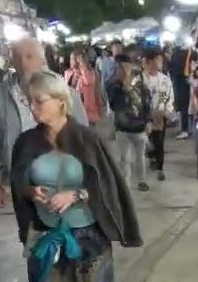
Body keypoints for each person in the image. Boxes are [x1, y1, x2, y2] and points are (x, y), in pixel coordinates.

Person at [9, 71, 142, 282]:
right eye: (31, 102)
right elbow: (18, 181)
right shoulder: (27, 142)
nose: (34, 108)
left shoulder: (85, 138)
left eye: (40, 101)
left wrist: (77, 194)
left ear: (61, 102)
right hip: (45, 233)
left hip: (88, 234)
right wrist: (32, 192)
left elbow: (106, 184)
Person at [0, 38, 88, 209]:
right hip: (21, 179)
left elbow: (84, 138)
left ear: (42, 59)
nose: (23, 63)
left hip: (62, 179)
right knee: (30, 230)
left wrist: (82, 187)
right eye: (17, 57)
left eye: (29, 57)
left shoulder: (65, 92)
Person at [106, 53, 152, 191]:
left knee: (140, 157)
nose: (124, 71)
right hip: (123, 128)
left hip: (139, 127)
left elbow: (146, 103)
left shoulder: (140, 83)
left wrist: (149, 120)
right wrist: (125, 89)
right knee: (124, 159)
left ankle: (142, 181)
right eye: (120, 68)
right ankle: (125, 185)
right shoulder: (113, 86)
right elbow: (114, 105)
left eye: (126, 67)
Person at [142, 47, 175, 181]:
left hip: (160, 116)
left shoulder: (165, 80)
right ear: (149, 61)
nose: (161, 61)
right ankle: (150, 157)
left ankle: (160, 169)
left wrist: (168, 109)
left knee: (160, 143)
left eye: (161, 59)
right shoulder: (141, 79)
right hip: (145, 117)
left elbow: (169, 97)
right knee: (148, 143)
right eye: (158, 59)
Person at [66, 48, 109, 126]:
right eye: (70, 59)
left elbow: (89, 82)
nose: (70, 61)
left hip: (88, 110)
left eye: (72, 59)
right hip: (74, 109)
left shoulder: (89, 73)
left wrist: (82, 65)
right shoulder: (69, 73)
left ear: (78, 60)